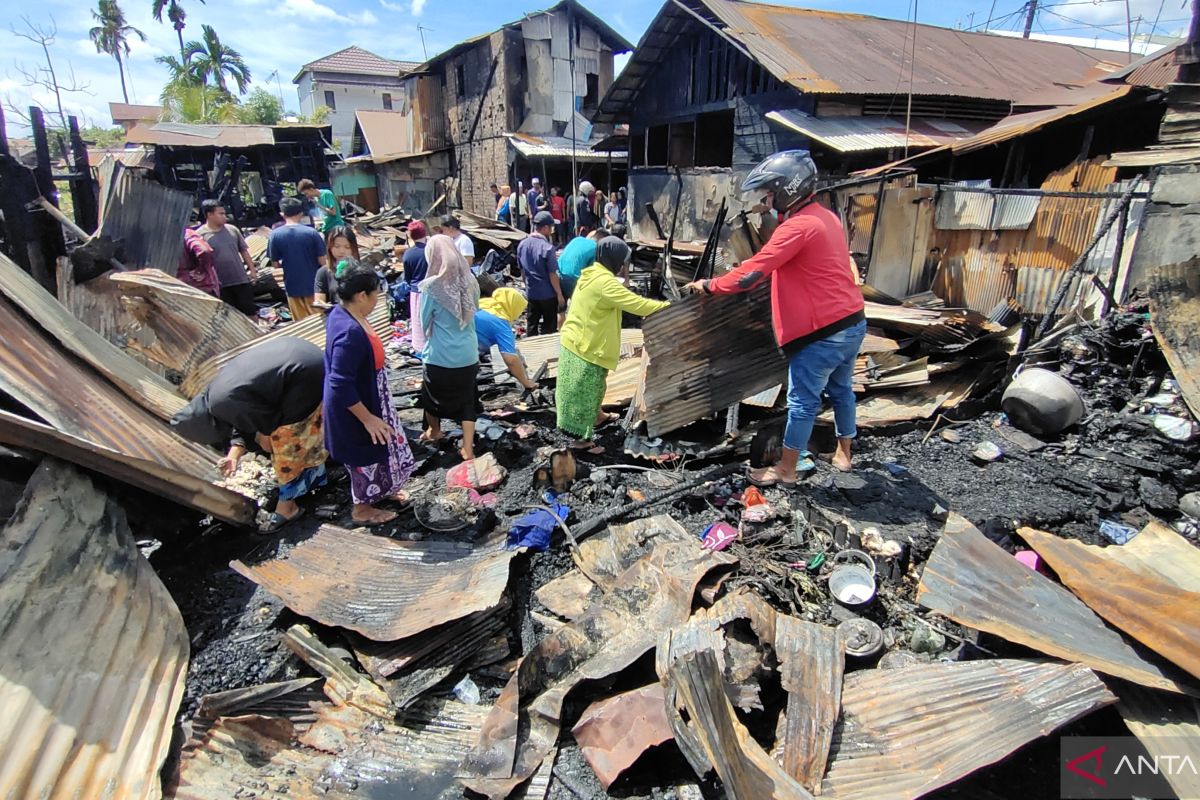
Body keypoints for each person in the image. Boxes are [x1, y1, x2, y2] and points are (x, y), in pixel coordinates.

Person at [684, 150, 866, 485]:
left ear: (788, 189)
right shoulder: (825, 217)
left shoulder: (797, 227)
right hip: (852, 322)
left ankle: (785, 470)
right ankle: (844, 454)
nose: (766, 198)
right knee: (842, 391)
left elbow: (749, 275)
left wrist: (709, 286)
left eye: (770, 191)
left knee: (802, 403)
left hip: (821, 334)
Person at [171, 337, 327, 532]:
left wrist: (267, 438)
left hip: (304, 373)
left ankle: (287, 508)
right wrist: (233, 456)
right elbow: (243, 420)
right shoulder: (215, 396)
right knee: (301, 427)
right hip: (303, 354)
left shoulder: (222, 403)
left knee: (287, 441)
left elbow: (268, 428)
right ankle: (317, 471)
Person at [324, 263, 417, 526]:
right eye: (376, 295)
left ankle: (383, 491)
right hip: (356, 404)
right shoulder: (348, 332)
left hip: (372, 392)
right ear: (362, 296)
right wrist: (367, 418)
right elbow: (339, 383)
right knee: (364, 454)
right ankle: (362, 509)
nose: (378, 301)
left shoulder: (345, 314)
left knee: (382, 445)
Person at [556, 237, 669, 443]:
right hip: (585, 346)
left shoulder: (591, 272)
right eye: (621, 260)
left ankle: (598, 416)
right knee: (584, 395)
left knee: (597, 385)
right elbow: (638, 305)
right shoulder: (604, 283)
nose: (622, 265)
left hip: (579, 339)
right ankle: (582, 442)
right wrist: (670, 307)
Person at [418, 235, 481, 462]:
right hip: (468, 353)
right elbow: (476, 308)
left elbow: (423, 322)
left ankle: (434, 430)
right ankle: (468, 448)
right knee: (467, 400)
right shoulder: (471, 281)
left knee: (430, 395)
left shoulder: (432, 287)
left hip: (440, 356)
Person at [268, 197, 327, 321]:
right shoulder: (312, 233)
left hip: (292, 286)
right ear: (301, 213)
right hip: (315, 286)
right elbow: (323, 261)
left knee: (300, 323)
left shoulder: (275, 235)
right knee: (319, 320)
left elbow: (275, 264)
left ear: (282, 214)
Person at [197, 199, 259, 317]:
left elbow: (244, 251)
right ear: (209, 215)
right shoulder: (200, 235)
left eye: (224, 213)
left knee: (250, 312)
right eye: (221, 214)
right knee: (228, 316)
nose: (225, 216)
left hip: (240, 279)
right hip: (220, 283)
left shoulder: (232, 230)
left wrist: (252, 270)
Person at [475, 287, 538, 391]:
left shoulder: (483, 304)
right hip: (458, 358)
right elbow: (511, 360)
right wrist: (527, 383)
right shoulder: (501, 324)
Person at [519, 211, 564, 336]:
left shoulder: (522, 245)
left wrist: (527, 286)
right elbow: (552, 275)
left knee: (531, 326)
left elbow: (522, 270)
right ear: (545, 228)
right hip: (547, 294)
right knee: (549, 328)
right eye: (551, 227)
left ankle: (532, 351)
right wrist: (559, 294)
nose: (552, 230)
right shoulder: (547, 248)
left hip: (532, 293)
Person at [313, 226, 360, 308]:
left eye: (347, 247)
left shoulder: (361, 270)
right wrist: (322, 304)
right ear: (329, 247)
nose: (341, 251)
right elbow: (319, 300)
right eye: (337, 246)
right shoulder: (323, 272)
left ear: (353, 248)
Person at [403, 220, 430, 355]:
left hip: (416, 291)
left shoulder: (408, 254)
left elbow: (407, 277)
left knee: (418, 322)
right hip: (432, 291)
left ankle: (420, 348)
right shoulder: (429, 251)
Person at [178, 227, 220, 297]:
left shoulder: (158, 237)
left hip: (180, 291)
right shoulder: (186, 233)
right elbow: (204, 250)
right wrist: (201, 270)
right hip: (202, 288)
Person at [556, 234, 597, 300]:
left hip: (558, 272)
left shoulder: (577, 239)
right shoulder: (595, 247)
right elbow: (591, 272)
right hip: (572, 279)